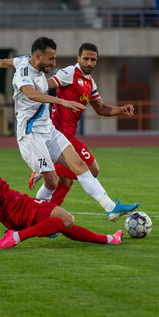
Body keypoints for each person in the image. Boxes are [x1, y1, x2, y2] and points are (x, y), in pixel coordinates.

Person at [0, 37, 139, 221]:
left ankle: (110, 207)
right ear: (38, 57)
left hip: (49, 129)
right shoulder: (24, 72)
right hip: (30, 134)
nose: (54, 63)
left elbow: (2, 62)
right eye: (51, 59)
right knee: (52, 181)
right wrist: (61, 100)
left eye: (54, 58)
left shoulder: (23, 60)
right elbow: (31, 93)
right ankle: (37, 217)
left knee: (81, 166)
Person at [0, 125, 123, 249]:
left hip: (5, 214)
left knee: (61, 222)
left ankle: (109, 240)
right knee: (67, 219)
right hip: (14, 204)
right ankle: (16, 237)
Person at [36, 43, 134, 205]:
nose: (89, 63)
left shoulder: (90, 82)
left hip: (68, 133)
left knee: (66, 180)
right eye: (86, 59)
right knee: (92, 169)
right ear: (78, 58)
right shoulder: (69, 72)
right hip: (60, 133)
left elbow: (101, 108)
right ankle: (44, 168)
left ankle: (46, 216)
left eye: (93, 60)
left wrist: (122, 109)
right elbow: (44, 86)